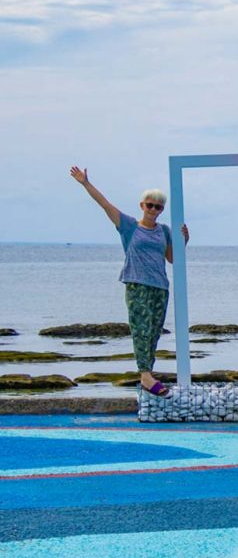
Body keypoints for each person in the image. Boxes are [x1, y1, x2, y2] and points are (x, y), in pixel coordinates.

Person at [70, 167, 189, 396]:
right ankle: (145, 375)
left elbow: (172, 259)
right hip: (137, 284)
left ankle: (148, 374)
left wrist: (185, 240)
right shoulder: (129, 226)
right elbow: (104, 204)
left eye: (158, 206)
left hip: (160, 287)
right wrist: (85, 183)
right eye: (150, 204)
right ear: (142, 205)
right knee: (141, 330)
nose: (153, 209)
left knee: (154, 331)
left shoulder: (164, 231)